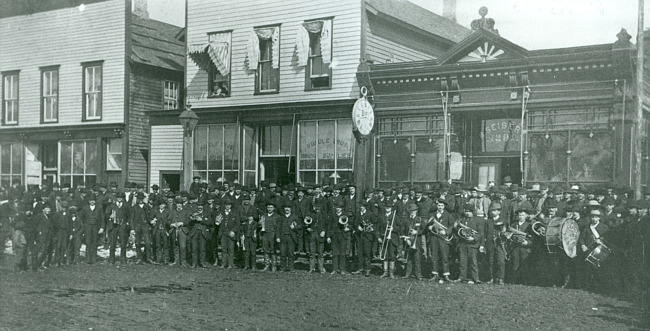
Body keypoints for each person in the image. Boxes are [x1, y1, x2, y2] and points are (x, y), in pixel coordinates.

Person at [456, 203, 486, 284]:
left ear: (473, 212)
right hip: (463, 243)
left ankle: (475, 278)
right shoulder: (462, 220)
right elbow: (457, 230)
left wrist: (473, 238)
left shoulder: (478, 220)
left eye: (469, 211)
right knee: (462, 261)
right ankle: (462, 277)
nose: (467, 213)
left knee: (473, 262)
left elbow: (481, 233)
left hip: (473, 244)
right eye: (466, 211)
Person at [427, 199, 454, 283]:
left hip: (443, 238)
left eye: (442, 205)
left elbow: (451, 226)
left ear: (444, 206)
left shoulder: (448, 215)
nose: (440, 207)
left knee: (444, 256)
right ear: (436, 206)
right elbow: (428, 224)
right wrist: (429, 227)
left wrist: (446, 232)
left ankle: (446, 275)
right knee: (434, 256)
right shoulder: (432, 214)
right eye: (439, 205)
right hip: (434, 238)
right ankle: (435, 274)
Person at [508, 208, 534, 284]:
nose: (521, 217)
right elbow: (509, 234)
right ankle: (514, 280)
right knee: (515, 263)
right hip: (515, 247)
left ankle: (524, 281)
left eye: (523, 215)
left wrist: (527, 242)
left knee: (524, 264)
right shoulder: (514, 224)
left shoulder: (529, 225)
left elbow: (532, 238)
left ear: (526, 216)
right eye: (519, 215)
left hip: (524, 248)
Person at [377, 201, 401, 278]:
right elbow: (378, 228)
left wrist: (393, 229)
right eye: (386, 207)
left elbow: (400, 228)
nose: (388, 208)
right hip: (384, 238)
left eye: (389, 207)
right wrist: (378, 237)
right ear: (384, 207)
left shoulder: (395, 216)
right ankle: (385, 272)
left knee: (392, 256)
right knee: (385, 255)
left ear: (391, 208)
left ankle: (391, 272)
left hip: (392, 238)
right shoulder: (381, 216)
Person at [104, 192, 130, 264]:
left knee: (123, 242)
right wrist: (110, 217)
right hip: (114, 226)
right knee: (113, 242)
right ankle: (112, 258)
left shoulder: (126, 206)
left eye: (121, 197)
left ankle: (123, 258)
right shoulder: (112, 205)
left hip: (122, 225)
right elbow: (106, 215)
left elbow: (129, 215)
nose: (119, 198)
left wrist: (127, 223)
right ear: (116, 198)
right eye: (118, 197)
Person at [402, 204, 426, 280]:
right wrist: (406, 239)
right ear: (409, 211)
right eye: (411, 211)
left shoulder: (419, 219)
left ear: (416, 211)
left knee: (417, 259)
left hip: (417, 243)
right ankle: (407, 274)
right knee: (409, 259)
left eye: (414, 210)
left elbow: (424, 230)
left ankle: (418, 275)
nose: (412, 212)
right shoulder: (406, 220)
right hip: (408, 242)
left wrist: (417, 232)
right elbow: (402, 231)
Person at [352, 203, 376, 277]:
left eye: (363, 206)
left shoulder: (370, 214)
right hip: (359, 236)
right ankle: (360, 268)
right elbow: (354, 223)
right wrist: (357, 227)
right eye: (360, 206)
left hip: (367, 236)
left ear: (365, 207)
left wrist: (370, 228)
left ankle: (367, 269)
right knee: (359, 253)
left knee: (367, 253)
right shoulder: (357, 214)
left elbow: (374, 223)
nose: (361, 208)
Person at [80, 194, 104, 264]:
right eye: (91, 201)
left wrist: (102, 227)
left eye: (93, 200)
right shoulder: (85, 208)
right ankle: (88, 258)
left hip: (96, 226)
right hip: (87, 226)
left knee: (94, 242)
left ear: (95, 201)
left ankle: (94, 258)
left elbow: (102, 218)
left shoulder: (99, 207)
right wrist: (83, 227)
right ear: (88, 201)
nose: (92, 202)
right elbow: (81, 218)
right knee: (88, 242)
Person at [130, 192, 154, 264]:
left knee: (147, 242)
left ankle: (148, 258)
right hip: (137, 225)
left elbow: (150, 216)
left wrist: (150, 222)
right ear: (137, 199)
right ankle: (139, 258)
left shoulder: (147, 206)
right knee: (138, 242)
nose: (140, 200)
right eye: (139, 198)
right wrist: (132, 228)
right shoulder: (134, 207)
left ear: (143, 199)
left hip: (145, 225)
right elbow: (132, 218)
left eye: (141, 199)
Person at [328, 201, 350, 275]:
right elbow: (329, 226)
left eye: (339, 208)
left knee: (342, 253)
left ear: (342, 208)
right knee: (334, 253)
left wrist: (347, 227)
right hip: (334, 235)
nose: (338, 209)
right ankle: (334, 269)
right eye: (337, 207)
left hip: (342, 235)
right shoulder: (332, 215)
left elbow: (350, 225)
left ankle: (342, 269)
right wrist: (328, 236)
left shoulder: (345, 215)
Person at [306, 203, 328, 273]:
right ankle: (311, 268)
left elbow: (327, 224)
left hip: (320, 234)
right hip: (312, 234)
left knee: (320, 253)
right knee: (312, 253)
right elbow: (306, 223)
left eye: (319, 207)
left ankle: (320, 268)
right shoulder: (310, 214)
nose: (317, 208)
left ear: (321, 207)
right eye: (316, 207)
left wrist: (324, 231)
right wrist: (307, 228)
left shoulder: (324, 215)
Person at [169, 197, 191, 267]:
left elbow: (188, 220)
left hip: (182, 230)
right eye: (177, 204)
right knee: (175, 246)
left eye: (180, 204)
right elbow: (168, 220)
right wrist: (171, 224)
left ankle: (183, 261)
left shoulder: (186, 211)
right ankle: (176, 261)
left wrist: (182, 223)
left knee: (182, 246)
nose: (179, 205)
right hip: (174, 230)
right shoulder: (173, 211)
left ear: (182, 204)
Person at [278, 204, 301, 272]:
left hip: (291, 237)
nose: (287, 209)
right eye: (285, 208)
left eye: (288, 208)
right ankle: (282, 268)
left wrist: (294, 227)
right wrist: (278, 237)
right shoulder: (281, 217)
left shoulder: (294, 217)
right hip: (283, 237)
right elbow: (278, 228)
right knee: (282, 253)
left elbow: (300, 226)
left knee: (291, 253)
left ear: (291, 209)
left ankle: (291, 268)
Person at [218, 199, 239, 269]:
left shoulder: (234, 213)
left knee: (231, 249)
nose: (227, 206)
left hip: (230, 233)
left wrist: (233, 231)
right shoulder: (221, 213)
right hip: (223, 233)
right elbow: (217, 223)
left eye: (229, 205)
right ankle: (223, 263)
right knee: (223, 249)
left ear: (231, 206)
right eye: (226, 205)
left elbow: (237, 224)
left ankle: (230, 264)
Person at [151, 198, 171, 265]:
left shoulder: (167, 211)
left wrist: (166, 224)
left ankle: (165, 259)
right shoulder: (156, 211)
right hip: (157, 230)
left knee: (165, 245)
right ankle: (158, 259)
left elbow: (170, 220)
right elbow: (151, 219)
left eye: (162, 204)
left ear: (165, 205)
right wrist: (153, 221)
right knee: (158, 245)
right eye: (160, 205)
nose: (161, 206)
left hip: (165, 230)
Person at [260, 202, 280, 271]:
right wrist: (260, 223)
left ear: (274, 208)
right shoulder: (264, 215)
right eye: (268, 207)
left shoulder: (277, 216)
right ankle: (267, 265)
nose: (269, 209)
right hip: (265, 234)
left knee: (273, 250)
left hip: (273, 234)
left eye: (271, 207)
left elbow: (278, 228)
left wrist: (277, 236)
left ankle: (274, 266)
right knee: (265, 249)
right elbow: (260, 225)